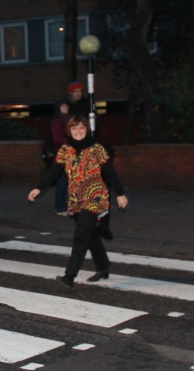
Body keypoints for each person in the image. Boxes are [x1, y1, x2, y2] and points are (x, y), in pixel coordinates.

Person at [28, 114, 128, 288]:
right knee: (89, 235)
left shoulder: (97, 148)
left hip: (95, 196)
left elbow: (110, 171)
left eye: (82, 127)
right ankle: (104, 266)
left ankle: (69, 276)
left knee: (81, 235)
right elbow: (54, 171)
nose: (78, 131)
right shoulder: (65, 150)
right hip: (76, 198)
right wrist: (39, 187)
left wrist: (120, 193)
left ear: (86, 129)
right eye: (74, 128)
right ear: (69, 131)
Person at [46, 100, 72, 214]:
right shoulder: (57, 121)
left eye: (66, 105)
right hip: (62, 154)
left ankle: (62, 205)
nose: (65, 107)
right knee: (62, 180)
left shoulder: (70, 119)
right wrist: (71, 141)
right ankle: (60, 207)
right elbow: (57, 139)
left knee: (66, 181)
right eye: (62, 106)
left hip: (70, 153)